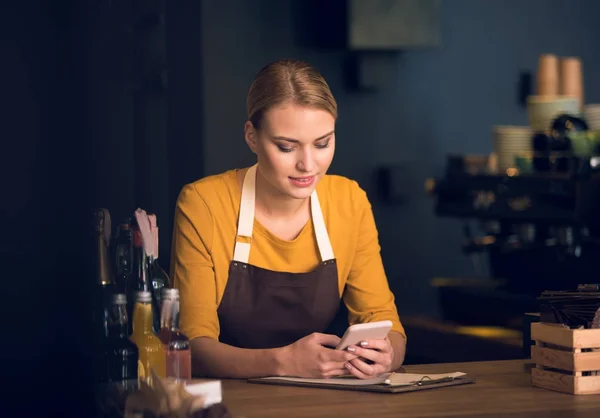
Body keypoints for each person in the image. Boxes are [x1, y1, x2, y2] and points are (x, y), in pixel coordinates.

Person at [170, 59, 407, 380]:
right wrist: (283, 363)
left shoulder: (349, 201)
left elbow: (386, 323)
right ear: (252, 137)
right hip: (224, 400)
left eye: (323, 143)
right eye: (286, 147)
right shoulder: (204, 203)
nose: (308, 165)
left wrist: (386, 356)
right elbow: (191, 347)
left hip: (318, 400)